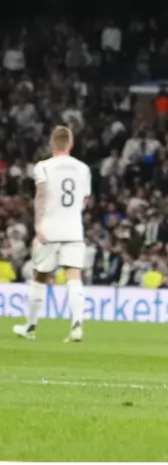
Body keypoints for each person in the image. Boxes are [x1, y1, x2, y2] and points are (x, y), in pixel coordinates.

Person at [13, 126, 91, 343]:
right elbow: (84, 201)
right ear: (71, 144)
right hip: (74, 228)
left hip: (50, 228)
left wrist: (38, 223)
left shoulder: (43, 167)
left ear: (51, 144)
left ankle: (30, 326)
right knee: (74, 277)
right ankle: (77, 326)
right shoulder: (83, 168)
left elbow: (41, 195)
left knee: (40, 275)